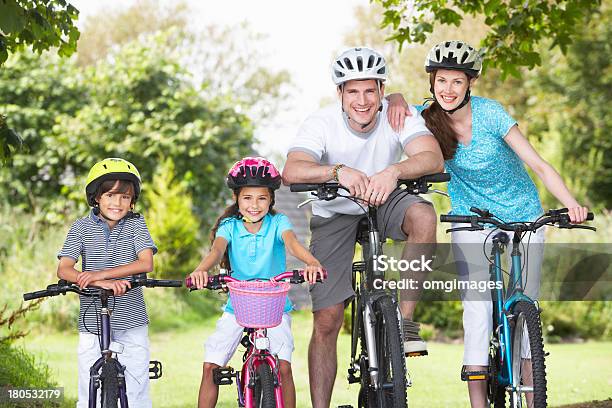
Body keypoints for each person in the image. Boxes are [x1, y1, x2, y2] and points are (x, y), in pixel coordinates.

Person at [387, 40, 589, 408]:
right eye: (441, 81)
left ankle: (532, 399)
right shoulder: (424, 118)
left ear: (470, 85)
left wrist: (571, 205)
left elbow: (539, 165)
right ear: (431, 83)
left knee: (528, 302)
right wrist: (397, 96)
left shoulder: (492, 114)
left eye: (457, 82)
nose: (448, 89)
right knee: (477, 306)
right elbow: (382, 105)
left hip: (524, 213)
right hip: (471, 219)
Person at [283, 46, 444, 408]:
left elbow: (431, 155)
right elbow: (292, 169)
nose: (362, 100)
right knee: (327, 319)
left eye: (370, 90)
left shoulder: (396, 115)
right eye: (353, 91)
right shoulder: (320, 122)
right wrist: (338, 172)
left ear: (382, 91)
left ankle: (403, 322)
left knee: (424, 216)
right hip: (334, 211)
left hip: (382, 198)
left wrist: (393, 171)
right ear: (339, 93)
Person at [188, 156, 324, 408]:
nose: (254, 205)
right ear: (237, 199)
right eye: (247, 198)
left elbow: (293, 244)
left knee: (284, 368)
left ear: (271, 199)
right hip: (238, 306)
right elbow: (216, 252)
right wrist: (200, 271)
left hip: (275, 306)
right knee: (211, 366)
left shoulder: (278, 222)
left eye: (261, 198)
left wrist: (312, 263)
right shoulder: (229, 226)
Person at [57, 157, 158, 408]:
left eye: (125, 197)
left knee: (136, 386)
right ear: (97, 197)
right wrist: (98, 283)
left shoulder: (136, 224)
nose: (118, 203)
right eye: (111, 195)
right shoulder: (81, 227)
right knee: (88, 385)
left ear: (132, 200)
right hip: (92, 321)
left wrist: (99, 275)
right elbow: (64, 269)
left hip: (131, 317)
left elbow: (145, 263)